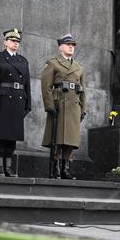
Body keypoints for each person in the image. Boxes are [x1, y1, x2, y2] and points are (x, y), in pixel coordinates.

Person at [41, 34, 87, 179]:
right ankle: (55, 168)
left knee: (70, 141)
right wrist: (49, 106)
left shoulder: (79, 67)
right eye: (68, 45)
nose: (71, 47)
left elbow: (83, 90)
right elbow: (46, 87)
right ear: (60, 47)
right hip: (59, 104)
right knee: (59, 139)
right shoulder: (53, 63)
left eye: (73, 45)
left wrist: (83, 108)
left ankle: (65, 168)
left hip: (74, 106)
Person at [0, 28, 31, 177]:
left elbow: (27, 84)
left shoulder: (23, 61)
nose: (15, 44)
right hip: (3, 101)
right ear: (5, 42)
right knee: (1, 136)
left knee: (12, 137)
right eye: (12, 41)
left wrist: (28, 103)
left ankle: (9, 168)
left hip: (18, 101)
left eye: (17, 41)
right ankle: (0, 167)